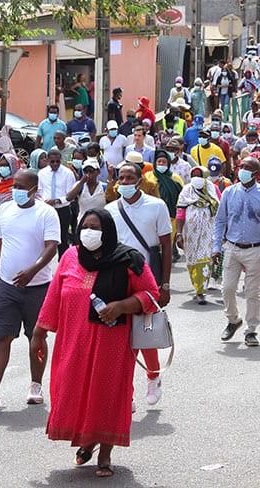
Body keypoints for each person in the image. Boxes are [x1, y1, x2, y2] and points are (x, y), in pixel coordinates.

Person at [31, 208, 159, 479]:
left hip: (113, 343)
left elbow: (151, 294)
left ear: (108, 231)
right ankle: (88, 439)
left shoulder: (129, 259)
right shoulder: (70, 256)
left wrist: (123, 305)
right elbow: (55, 293)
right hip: (73, 341)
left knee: (107, 393)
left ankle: (105, 453)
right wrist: (39, 332)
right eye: (85, 226)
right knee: (73, 390)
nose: (89, 232)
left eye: (96, 227)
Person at [0, 169, 59, 410]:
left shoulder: (46, 213)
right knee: (2, 336)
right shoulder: (5, 211)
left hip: (38, 287)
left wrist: (33, 269)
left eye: (21, 186)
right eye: (14, 185)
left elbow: (51, 247)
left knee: (36, 336)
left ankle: (36, 385)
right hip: (7, 287)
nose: (16, 190)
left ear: (33, 189)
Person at [105, 162, 172, 406]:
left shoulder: (157, 207)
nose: (124, 183)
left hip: (147, 278)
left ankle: (153, 377)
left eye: (129, 178)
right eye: (120, 178)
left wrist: (164, 285)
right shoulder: (110, 210)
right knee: (122, 338)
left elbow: (166, 246)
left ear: (140, 181)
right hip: (117, 279)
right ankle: (127, 393)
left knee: (145, 331)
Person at [213, 157, 260, 347]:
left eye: (247, 168)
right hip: (232, 247)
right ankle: (233, 319)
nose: (242, 170)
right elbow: (220, 221)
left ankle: (251, 330)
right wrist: (216, 247)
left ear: (257, 174)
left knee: (252, 293)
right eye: (241, 166)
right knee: (227, 288)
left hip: (255, 249)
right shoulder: (229, 192)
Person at [176, 166, 220, 304]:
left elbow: (220, 210)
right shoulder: (186, 191)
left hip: (209, 230)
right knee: (192, 260)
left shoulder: (212, 189)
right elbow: (180, 212)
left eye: (200, 177)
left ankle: (201, 291)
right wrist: (178, 233)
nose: (197, 180)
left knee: (205, 259)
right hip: (190, 233)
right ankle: (196, 285)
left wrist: (222, 232)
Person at [38, 149, 77, 258]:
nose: (55, 164)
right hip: (46, 209)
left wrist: (56, 200)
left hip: (62, 210)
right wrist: (44, 202)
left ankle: (63, 264)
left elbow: (70, 195)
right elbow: (39, 191)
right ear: (48, 160)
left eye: (57, 162)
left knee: (62, 239)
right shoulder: (42, 173)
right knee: (45, 238)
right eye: (52, 161)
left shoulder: (67, 173)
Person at [66, 158, 107, 227]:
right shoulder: (79, 186)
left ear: (98, 172)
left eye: (91, 171)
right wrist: (82, 182)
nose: (88, 174)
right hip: (83, 223)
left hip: (101, 223)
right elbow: (69, 198)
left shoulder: (104, 187)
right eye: (85, 171)